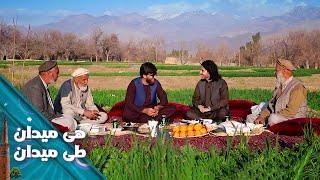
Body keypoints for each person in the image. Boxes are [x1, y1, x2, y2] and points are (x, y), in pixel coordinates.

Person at [21, 61, 77, 131]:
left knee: (70, 118)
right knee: (69, 122)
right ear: (49, 73)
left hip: (47, 117)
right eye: (57, 73)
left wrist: (62, 116)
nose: (58, 75)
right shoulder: (35, 87)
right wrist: (60, 117)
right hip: (34, 122)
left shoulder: (42, 84)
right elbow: (39, 113)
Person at [254, 58, 308, 126]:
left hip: (294, 120)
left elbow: (291, 111)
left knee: (273, 118)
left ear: (285, 71)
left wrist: (268, 117)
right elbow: (271, 107)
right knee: (251, 118)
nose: (274, 73)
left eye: (276, 71)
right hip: (278, 116)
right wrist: (261, 116)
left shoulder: (297, 87)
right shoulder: (279, 87)